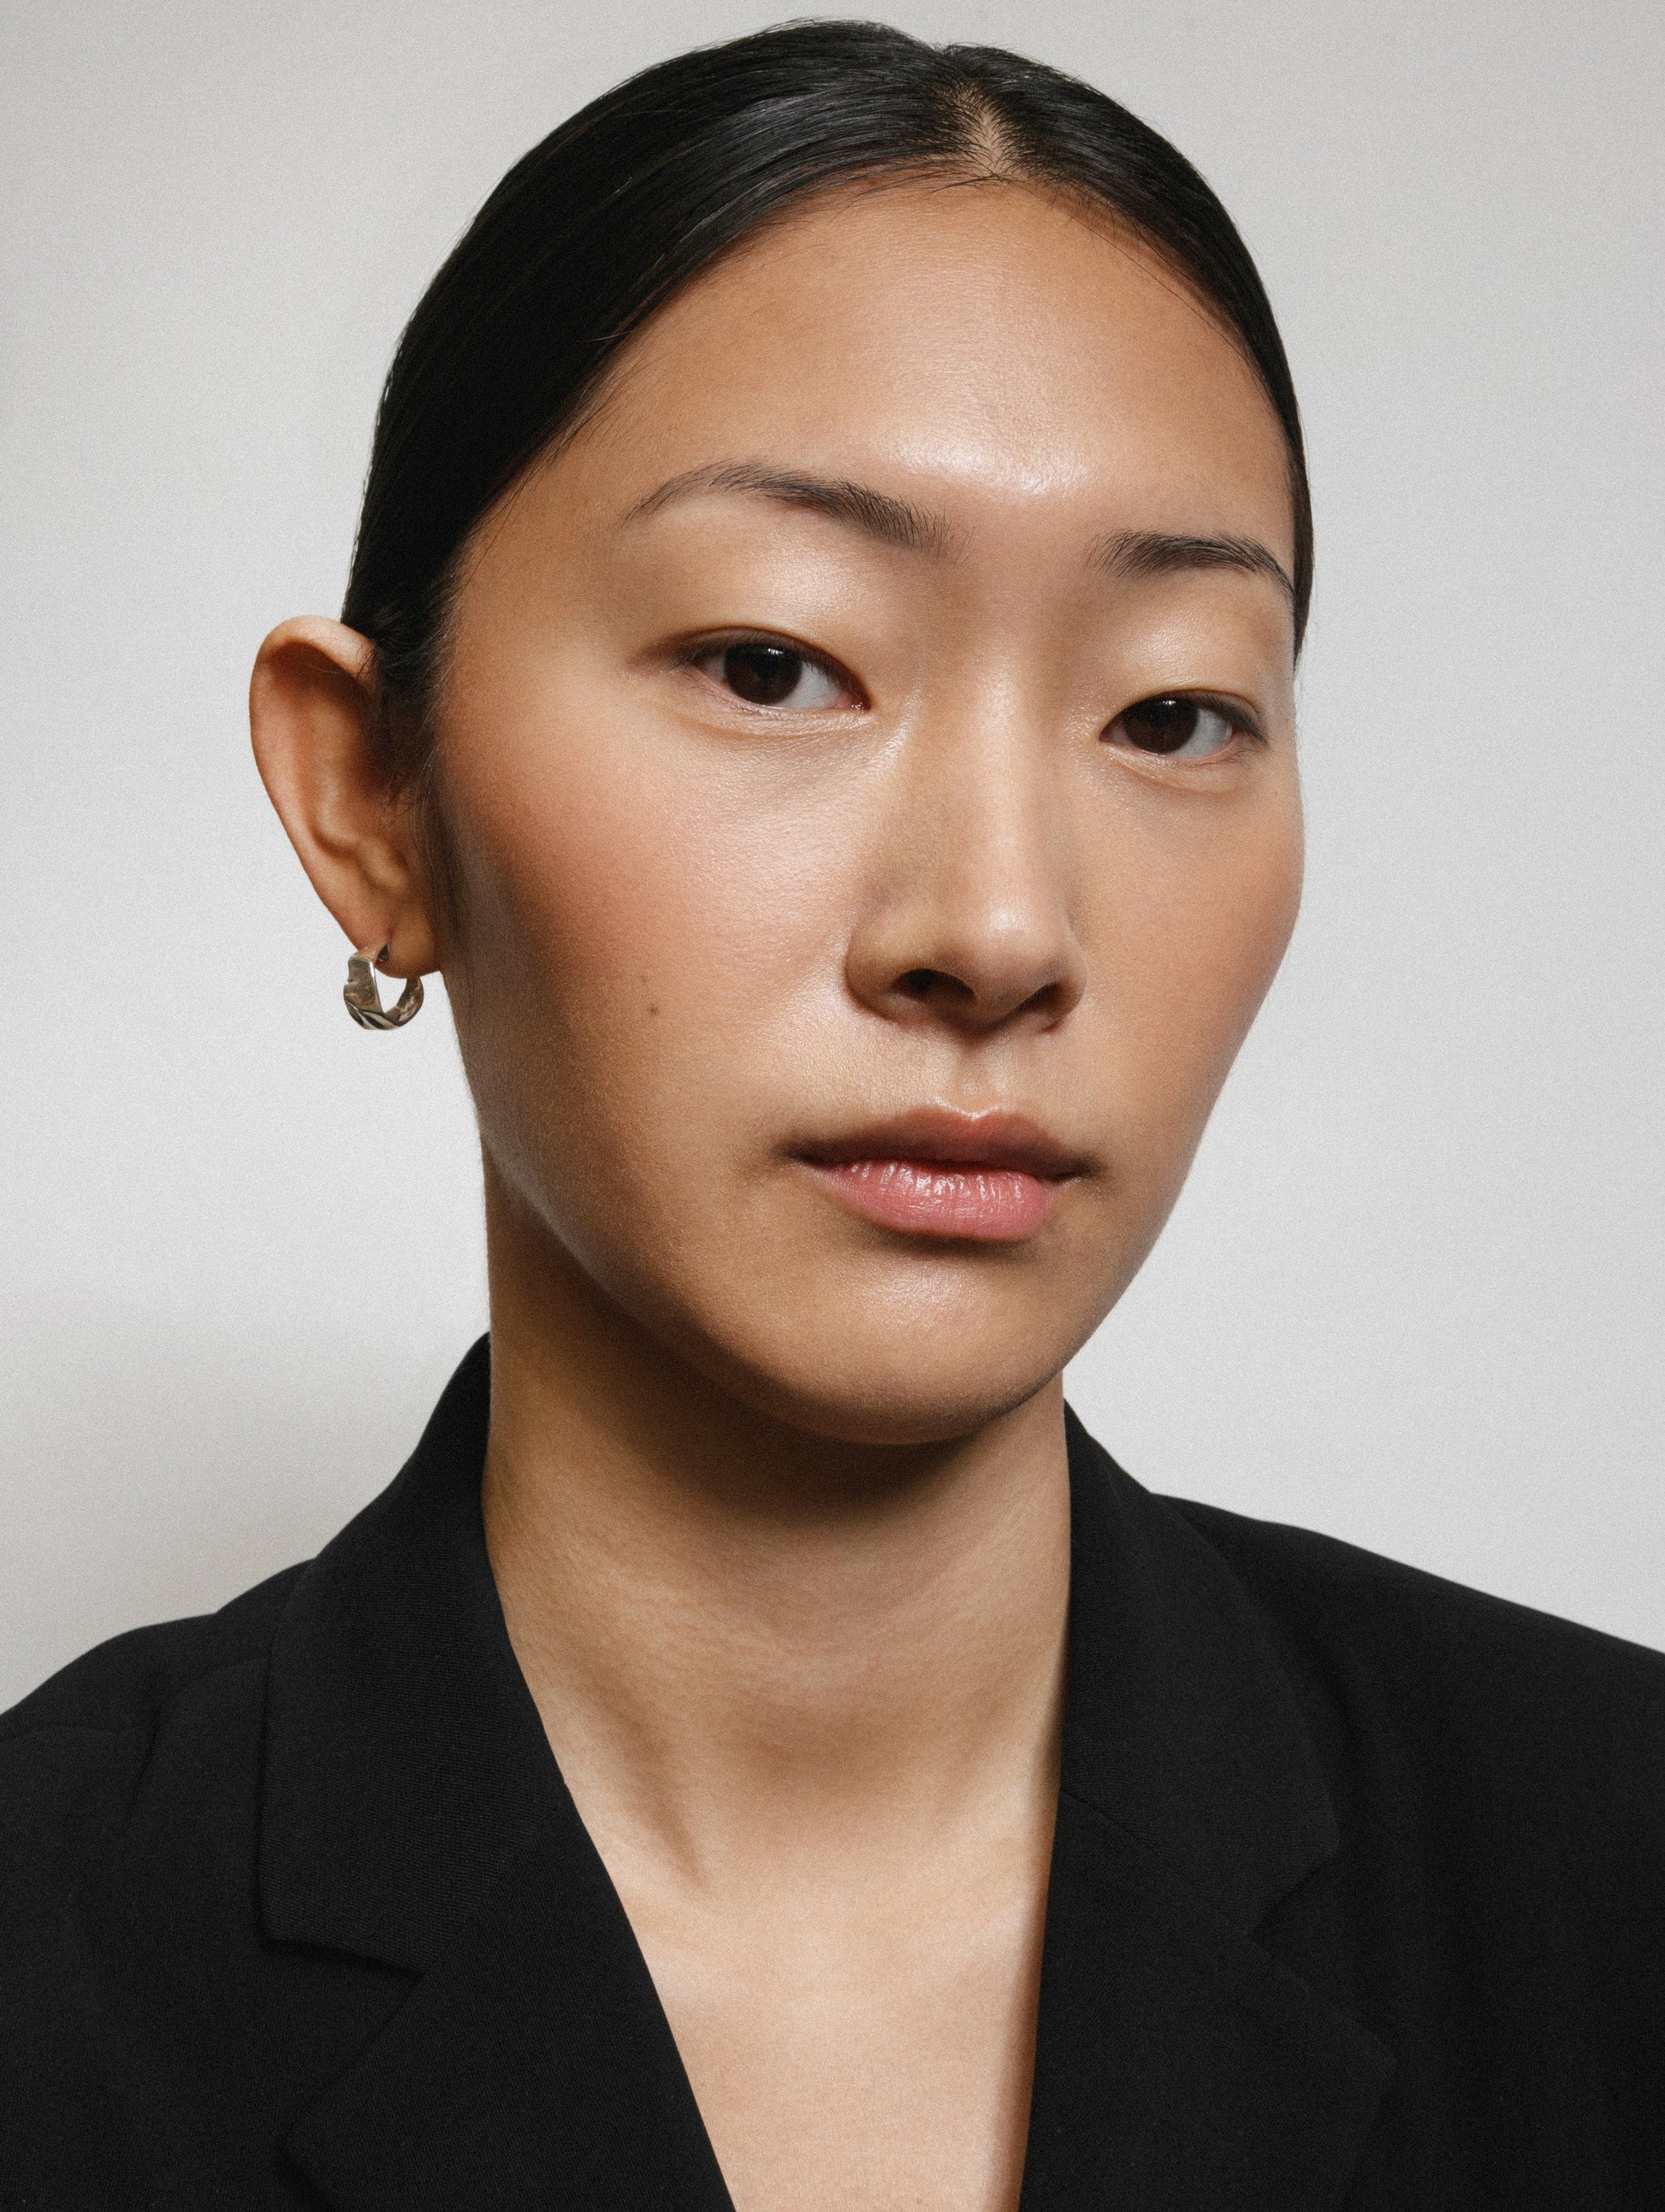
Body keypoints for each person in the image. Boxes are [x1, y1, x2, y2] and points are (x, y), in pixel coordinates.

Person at [2, 21, 1660, 2209]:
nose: (998, 927)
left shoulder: (1608, 1871)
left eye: (1171, 710)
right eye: (773, 663)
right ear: (369, 794)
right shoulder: (50, 1964)